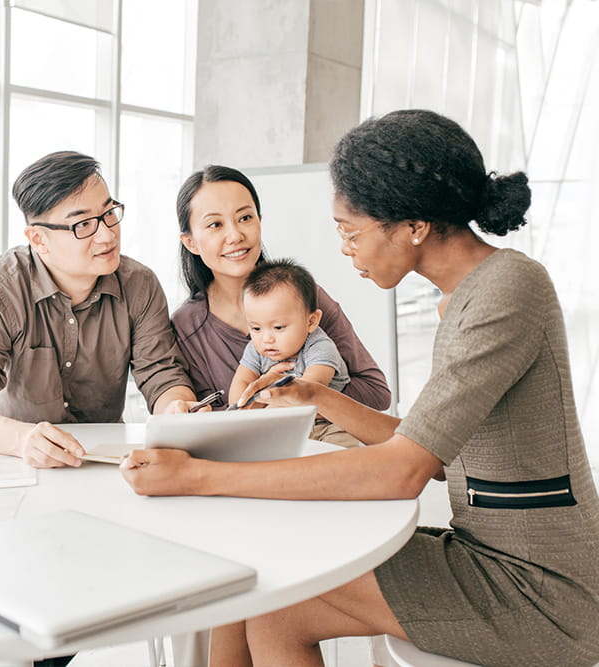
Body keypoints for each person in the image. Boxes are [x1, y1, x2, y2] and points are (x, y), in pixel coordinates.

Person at [121, 109, 599, 666]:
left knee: (260, 571)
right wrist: (319, 396)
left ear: (412, 225)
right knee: (275, 610)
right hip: (487, 555)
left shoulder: (505, 290)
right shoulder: (465, 297)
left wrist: (200, 476)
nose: (345, 249)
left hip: (540, 588)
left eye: (350, 231)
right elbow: (435, 451)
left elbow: (403, 471)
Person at [0, 151, 198, 469]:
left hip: (103, 464)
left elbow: (162, 375)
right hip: (16, 462)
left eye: (109, 213)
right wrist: (22, 440)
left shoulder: (139, 284)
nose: (107, 234)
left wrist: (177, 408)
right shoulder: (2, 287)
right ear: (38, 239)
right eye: (83, 224)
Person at [172, 165, 391, 412]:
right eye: (215, 225)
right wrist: (265, 398)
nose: (235, 235)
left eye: (245, 218)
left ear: (260, 222)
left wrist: (299, 391)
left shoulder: (304, 296)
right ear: (190, 242)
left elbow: (376, 393)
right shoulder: (186, 326)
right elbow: (205, 418)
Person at [230, 258, 356, 447]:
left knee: (343, 456)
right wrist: (250, 397)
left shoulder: (320, 347)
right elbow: (239, 396)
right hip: (280, 426)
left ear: (311, 321)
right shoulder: (256, 349)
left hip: (328, 424)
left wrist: (264, 392)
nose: (266, 339)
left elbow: (307, 392)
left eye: (278, 327)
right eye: (256, 328)